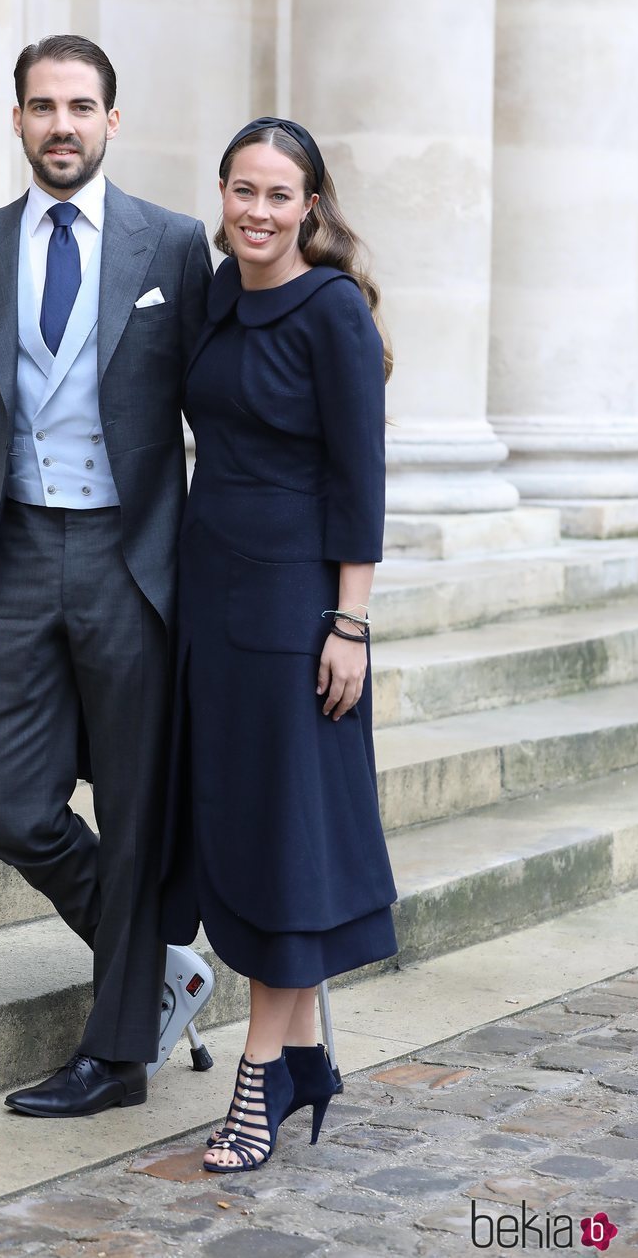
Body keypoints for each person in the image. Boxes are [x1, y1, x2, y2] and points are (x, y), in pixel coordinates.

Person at [0, 34, 214, 1117]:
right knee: (13, 807)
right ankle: (152, 966)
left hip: (130, 557)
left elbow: (212, 411)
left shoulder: (173, 247)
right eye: (42, 106)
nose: (61, 124)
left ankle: (115, 1059)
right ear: (16, 120)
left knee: (136, 811)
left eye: (81, 106)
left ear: (111, 120)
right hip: (19, 553)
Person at [159, 117, 399, 1170]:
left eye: (277, 195)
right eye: (240, 191)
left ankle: (258, 1080)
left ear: (310, 205)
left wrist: (348, 623)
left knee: (286, 841)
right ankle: (304, 1059)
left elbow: (359, 479)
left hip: (297, 615)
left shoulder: (331, 313)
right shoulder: (214, 295)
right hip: (209, 601)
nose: (255, 213)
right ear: (220, 194)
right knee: (244, 830)